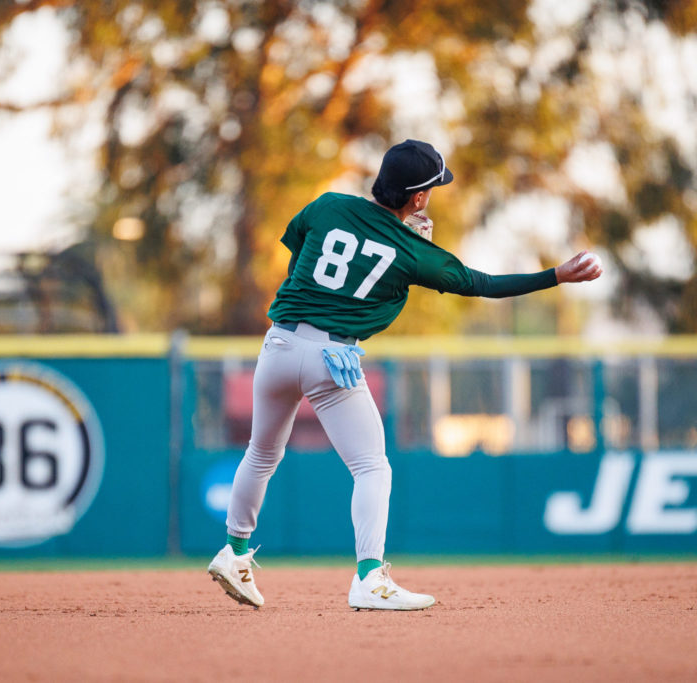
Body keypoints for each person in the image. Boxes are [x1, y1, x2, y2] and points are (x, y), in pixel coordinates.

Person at [207, 139, 603, 610]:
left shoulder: (328, 204)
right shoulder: (411, 250)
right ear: (417, 198)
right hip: (331, 356)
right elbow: (481, 284)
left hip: (279, 343)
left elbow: (298, 261)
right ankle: (369, 578)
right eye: (430, 190)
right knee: (371, 467)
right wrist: (556, 275)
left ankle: (233, 552)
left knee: (261, 453)